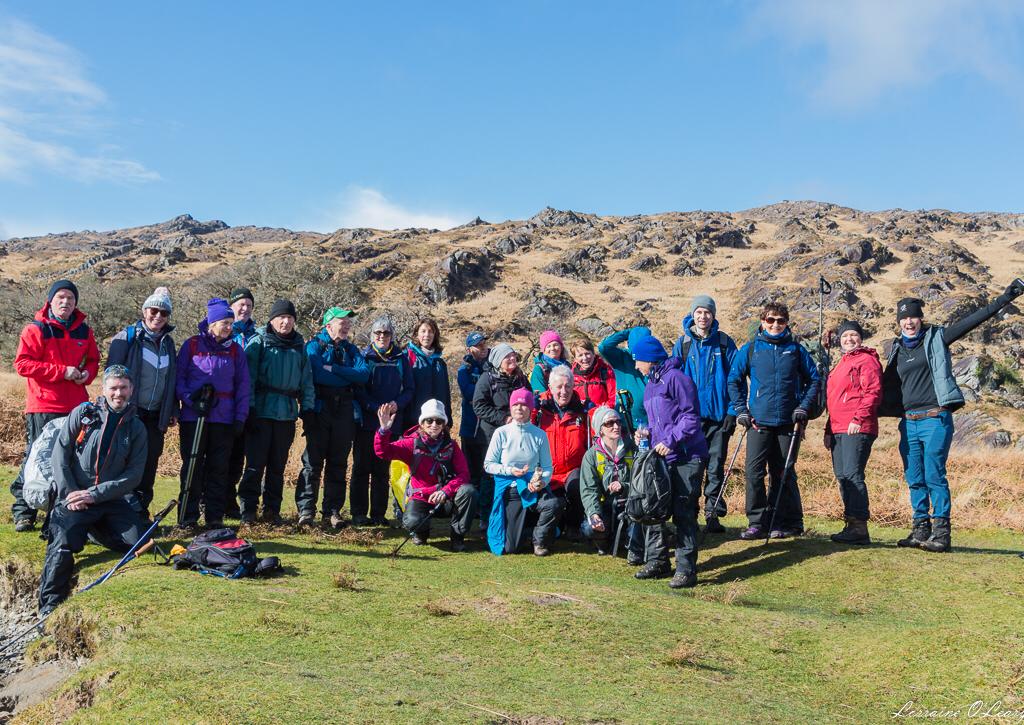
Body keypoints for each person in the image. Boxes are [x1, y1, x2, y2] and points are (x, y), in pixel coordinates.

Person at [881, 280, 1024, 552]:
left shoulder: (937, 337)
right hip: (908, 422)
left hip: (935, 418)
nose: (909, 322)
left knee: (934, 474)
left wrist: (1004, 299)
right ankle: (920, 530)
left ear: (920, 319)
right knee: (914, 476)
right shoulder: (897, 350)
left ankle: (941, 534)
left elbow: (973, 320)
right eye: (904, 318)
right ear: (898, 322)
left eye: (913, 317)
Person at [38, 365, 148, 615]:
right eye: (113, 388)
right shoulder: (83, 414)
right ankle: (49, 605)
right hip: (73, 495)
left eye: (123, 388)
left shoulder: (137, 428)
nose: (118, 393)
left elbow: (134, 476)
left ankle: (92, 531)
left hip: (109, 499)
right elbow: (60, 455)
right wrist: (70, 493)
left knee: (137, 544)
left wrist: (95, 494)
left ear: (131, 389)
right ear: (104, 389)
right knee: (64, 543)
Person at [11, 279, 100, 532]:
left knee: (70, 458)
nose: (66, 302)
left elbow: (93, 360)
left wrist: (87, 375)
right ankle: (23, 511)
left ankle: (58, 509)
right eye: (61, 297)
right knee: (35, 457)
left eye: (71, 299)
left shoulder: (85, 331)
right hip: (43, 403)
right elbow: (23, 365)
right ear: (51, 300)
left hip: (76, 406)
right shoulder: (35, 329)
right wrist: (62, 372)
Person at [727, 302, 820, 541]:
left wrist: (803, 407)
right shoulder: (750, 350)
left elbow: (814, 380)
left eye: (780, 320)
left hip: (789, 423)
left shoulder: (796, 350)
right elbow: (734, 380)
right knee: (754, 472)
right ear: (762, 322)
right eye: (770, 320)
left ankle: (783, 522)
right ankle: (757, 522)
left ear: (787, 322)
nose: (775, 324)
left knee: (783, 473)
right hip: (759, 422)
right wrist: (741, 410)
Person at [632, 334, 709, 588]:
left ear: (649, 358)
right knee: (655, 507)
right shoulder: (652, 383)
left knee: (683, 511)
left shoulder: (676, 378)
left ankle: (686, 569)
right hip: (663, 457)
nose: (635, 366)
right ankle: (658, 561)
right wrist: (647, 434)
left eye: (637, 360)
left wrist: (672, 440)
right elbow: (660, 421)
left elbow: (691, 417)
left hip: (687, 456)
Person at [175, 298, 250, 530]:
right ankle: (187, 516)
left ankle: (214, 517)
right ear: (211, 323)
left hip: (224, 418)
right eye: (224, 322)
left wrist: (240, 417)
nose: (229, 327)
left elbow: (243, 385)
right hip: (194, 417)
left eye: (231, 323)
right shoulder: (193, 345)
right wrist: (190, 401)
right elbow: (179, 379)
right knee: (193, 466)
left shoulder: (235, 350)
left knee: (219, 468)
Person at [239, 299, 315, 524]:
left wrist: (308, 409)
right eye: (281, 317)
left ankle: (272, 511)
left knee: (277, 466)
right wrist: (249, 408)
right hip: (261, 412)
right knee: (254, 464)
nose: (286, 321)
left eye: (290, 318)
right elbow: (248, 379)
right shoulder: (259, 342)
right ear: (272, 319)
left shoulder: (299, 346)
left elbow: (306, 381)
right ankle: (248, 510)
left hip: (287, 414)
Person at [106, 287, 178, 518]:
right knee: (123, 463)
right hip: (129, 413)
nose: (158, 316)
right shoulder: (126, 337)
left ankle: (140, 512)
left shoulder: (168, 344)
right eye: (154, 311)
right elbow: (111, 376)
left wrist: (172, 409)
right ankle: (117, 513)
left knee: (149, 465)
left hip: (156, 415)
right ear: (145, 310)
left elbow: (172, 380)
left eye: (164, 313)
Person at [295, 307, 368, 529]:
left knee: (338, 462)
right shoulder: (314, 346)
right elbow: (316, 373)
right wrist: (346, 375)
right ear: (328, 325)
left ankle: (332, 511)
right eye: (341, 322)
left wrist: (334, 369)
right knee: (312, 462)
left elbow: (363, 375)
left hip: (345, 410)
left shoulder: (352, 349)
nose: (346, 327)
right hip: (320, 408)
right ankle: (306, 510)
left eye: (348, 323)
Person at [671, 295, 738, 534]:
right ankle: (690, 513)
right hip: (689, 420)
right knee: (691, 468)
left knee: (716, 466)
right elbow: (673, 381)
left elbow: (736, 379)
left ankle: (713, 514)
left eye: (707, 312)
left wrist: (733, 411)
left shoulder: (724, 343)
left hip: (719, 419)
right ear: (693, 315)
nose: (703, 317)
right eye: (699, 312)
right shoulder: (683, 345)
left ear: (713, 315)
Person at [375, 399, 476, 551]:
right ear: (422, 423)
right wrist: (383, 431)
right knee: (412, 521)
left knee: (469, 492)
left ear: (444, 424)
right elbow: (383, 452)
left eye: (439, 421)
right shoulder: (411, 444)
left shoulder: (452, 446)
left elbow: (464, 475)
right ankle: (421, 533)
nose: (434, 425)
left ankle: (457, 537)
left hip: (445, 497)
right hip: (421, 496)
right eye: (429, 420)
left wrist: (445, 491)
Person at [579, 406, 661, 564]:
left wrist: (624, 486)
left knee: (638, 530)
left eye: (618, 422)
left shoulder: (633, 449)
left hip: (631, 506)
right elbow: (589, 490)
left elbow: (645, 482)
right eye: (609, 423)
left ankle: (629, 542)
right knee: (589, 528)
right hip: (605, 507)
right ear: (600, 429)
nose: (616, 426)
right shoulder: (591, 456)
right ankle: (603, 544)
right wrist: (594, 514)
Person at [824, 320, 882, 545]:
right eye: (845, 336)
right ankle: (850, 523)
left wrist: (858, 418)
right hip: (838, 427)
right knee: (842, 476)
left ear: (861, 337)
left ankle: (859, 526)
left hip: (856, 427)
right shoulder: (841, 363)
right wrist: (828, 429)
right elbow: (834, 401)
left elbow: (873, 392)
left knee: (852, 474)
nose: (849, 339)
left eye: (853, 335)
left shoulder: (866, 360)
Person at [352, 316, 414, 526]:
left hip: (392, 423)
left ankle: (378, 514)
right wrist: (374, 408)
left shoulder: (400, 358)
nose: (382, 337)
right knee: (361, 468)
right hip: (367, 422)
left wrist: (397, 405)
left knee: (381, 470)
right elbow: (358, 388)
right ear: (372, 335)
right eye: (378, 333)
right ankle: (358, 514)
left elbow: (409, 389)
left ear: (391, 336)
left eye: (386, 333)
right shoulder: (364, 356)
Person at [484, 389, 557, 556]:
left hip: (533, 486)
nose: (519, 408)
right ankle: (528, 531)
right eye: (515, 404)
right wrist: (510, 471)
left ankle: (539, 540)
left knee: (553, 504)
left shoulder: (539, 435)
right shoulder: (501, 433)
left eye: (524, 404)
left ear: (530, 408)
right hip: (511, 489)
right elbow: (488, 465)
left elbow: (547, 467)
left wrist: (541, 483)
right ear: (510, 407)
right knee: (511, 548)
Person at [472, 342, 529, 529]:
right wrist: (504, 418)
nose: (512, 359)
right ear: (498, 361)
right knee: (491, 474)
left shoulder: (521, 379)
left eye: (513, 356)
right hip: (491, 435)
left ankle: (513, 513)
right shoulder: (487, 379)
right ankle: (486, 516)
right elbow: (479, 405)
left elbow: (529, 400)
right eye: (508, 357)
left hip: (518, 434)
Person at [533, 365, 591, 536]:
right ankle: (555, 526)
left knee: (577, 485)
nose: (563, 391)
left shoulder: (582, 410)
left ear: (574, 386)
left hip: (573, 469)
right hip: (547, 470)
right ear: (550, 388)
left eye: (567, 386)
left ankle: (574, 525)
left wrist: (593, 411)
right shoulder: (541, 409)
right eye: (559, 387)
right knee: (553, 502)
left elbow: (597, 431)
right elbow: (524, 429)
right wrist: (533, 409)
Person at [226, 287, 258, 518]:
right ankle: (217, 499)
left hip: (249, 404)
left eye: (248, 305)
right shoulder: (223, 332)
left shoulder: (259, 336)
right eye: (241, 304)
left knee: (240, 457)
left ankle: (233, 502)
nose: (244, 309)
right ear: (232, 307)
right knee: (221, 455)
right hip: (224, 405)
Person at [456, 331, 489, 509]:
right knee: (470, 469)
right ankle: (471, 506)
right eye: (478, 345)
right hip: (470, 427)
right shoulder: (464, 370)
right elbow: (469, 394)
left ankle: (484, 506)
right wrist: (483, 392)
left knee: (486, 470)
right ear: (470, 349)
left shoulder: (493, 366)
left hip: (488, 427)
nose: (483, 348)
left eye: (484, 344)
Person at [597, 326, 651, 431]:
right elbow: (603, 347)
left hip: (649, 425)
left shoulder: (652, 359)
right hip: (625, 424)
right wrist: (628, 333)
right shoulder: (622, 357)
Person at [405, 317, 453, 425]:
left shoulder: (440, 363)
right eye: (423, 331)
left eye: (431, 331)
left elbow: (446, 394)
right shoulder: (407, 357)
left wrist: (448, 420)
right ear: (417, 334)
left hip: (437, 422)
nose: (427, 335)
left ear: (435, 335)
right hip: (413, 421)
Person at [570, 336, 616, 408]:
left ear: (594, 354)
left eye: (587, 353)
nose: (585, 358)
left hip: (602, 415)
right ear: (575, 359)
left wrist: (604, 409)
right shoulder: (570, 376)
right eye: (580, 355)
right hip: (580, 416)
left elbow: (614, 397)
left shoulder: (605, 371)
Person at [529, 330, 569, 395]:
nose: (552, 348)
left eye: (555, 345)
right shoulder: (539, 369)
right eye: (548, 346)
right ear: (543, 350)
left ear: (561, 347)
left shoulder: (568, 366)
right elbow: (541, 394)